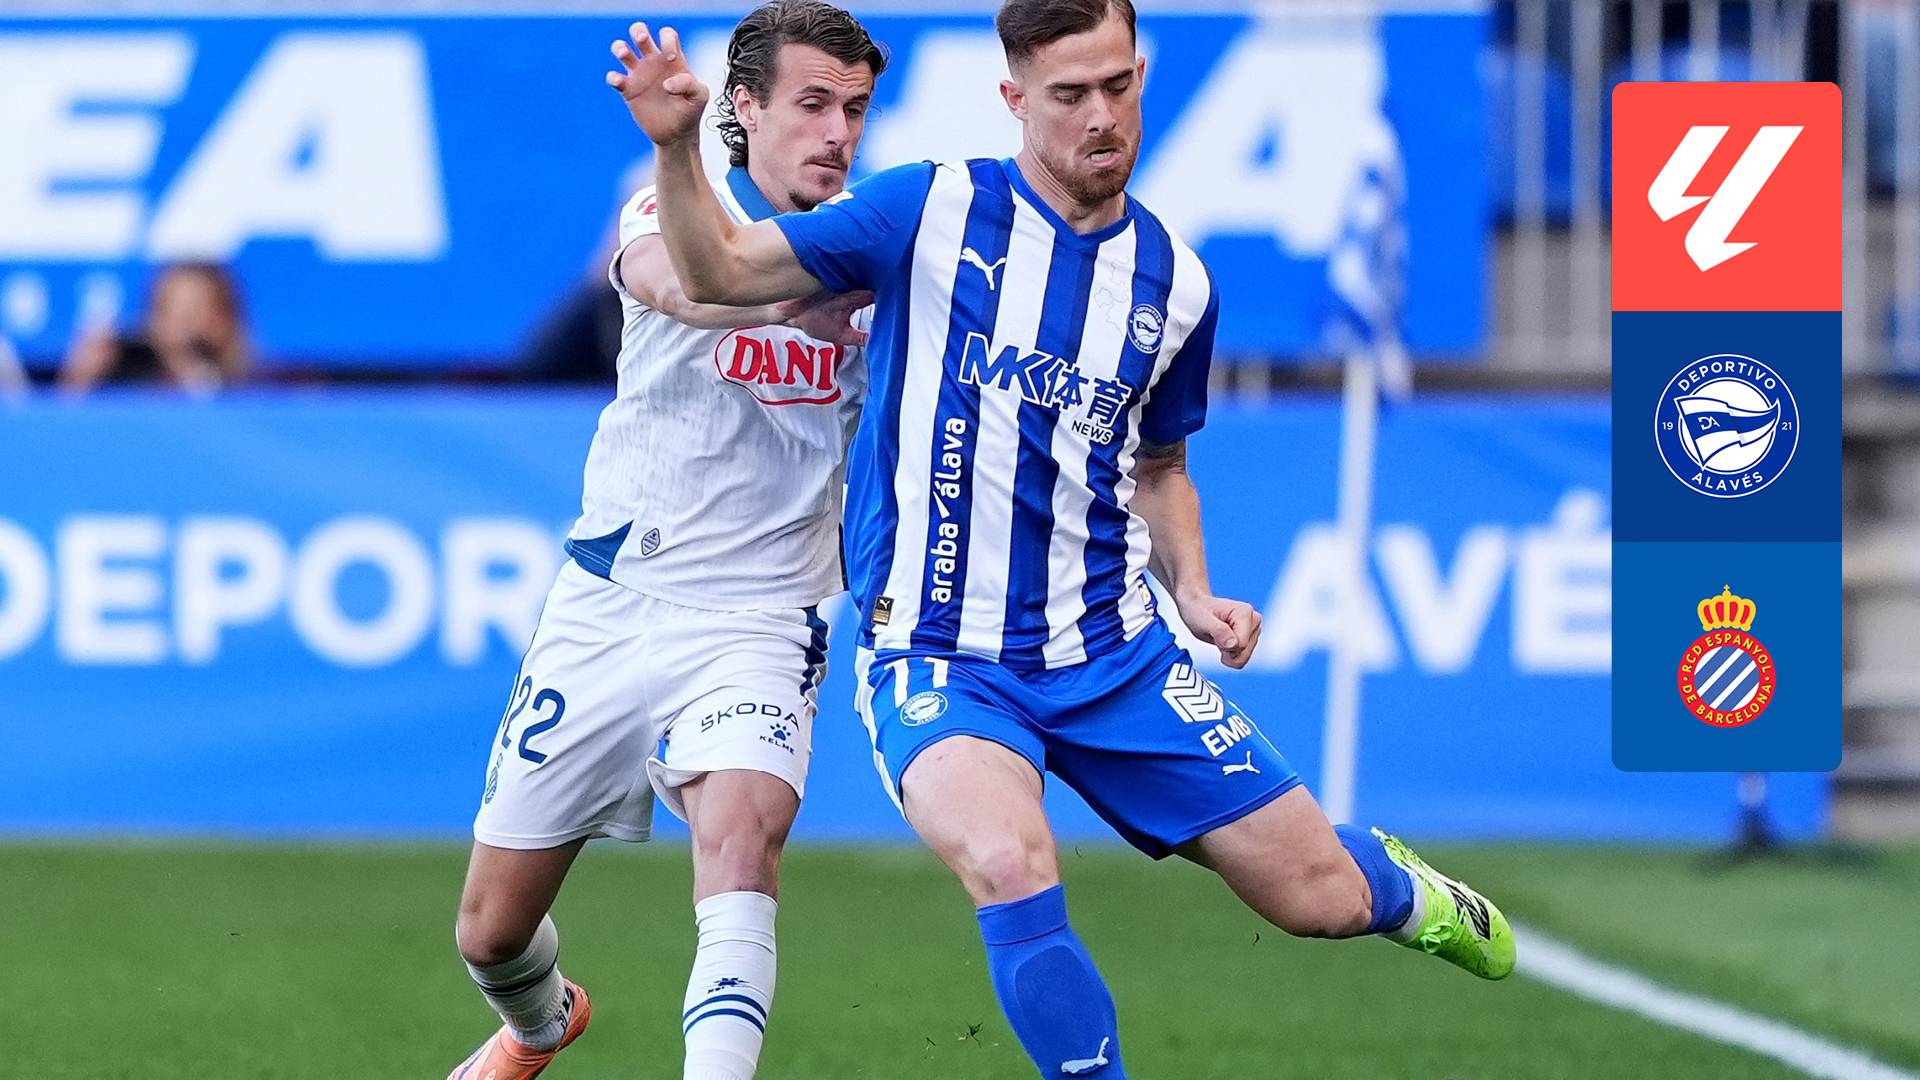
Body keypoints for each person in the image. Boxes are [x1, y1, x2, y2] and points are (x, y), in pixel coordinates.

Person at [608, 0, 1514, 1075]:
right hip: (938, 654)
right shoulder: (925, 209)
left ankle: (1402, 889)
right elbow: (715, 272)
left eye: (1117, 86)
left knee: (1318, 898)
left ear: (1141, 77)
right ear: (1015, 100)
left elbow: (1160, 465)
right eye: (1070, 94)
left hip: (1114, 654)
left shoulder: (1177, 283)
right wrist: (677, 145)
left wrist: (1193, 588)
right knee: (1008, 858)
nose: (1101, 116)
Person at [448, 5, 883, 1079]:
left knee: (740, 849)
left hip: (762, 615)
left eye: (855, 109)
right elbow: (679, 284)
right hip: (612, 602)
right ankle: (540, 1025)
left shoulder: (877, 243)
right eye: (813, 104)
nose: (837, 132)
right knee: (490, 934)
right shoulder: (672, 202)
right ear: (747, 108)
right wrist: (678, 149)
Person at [61, 262, 250, 393]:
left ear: (226, 318)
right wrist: (79, 380)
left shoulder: (258, 387)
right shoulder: (131, 389)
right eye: (174, 312)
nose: (187, 327)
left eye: (198, 311)